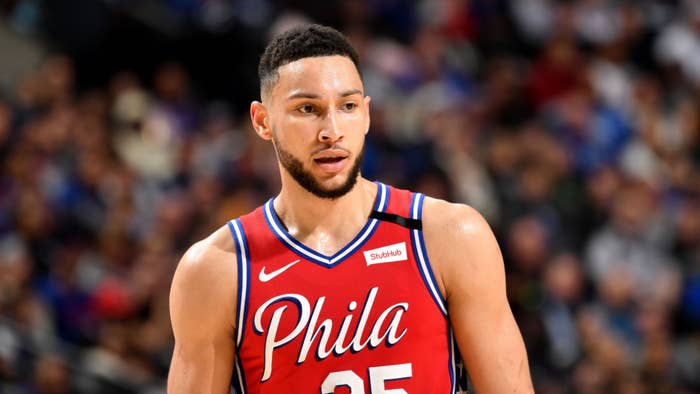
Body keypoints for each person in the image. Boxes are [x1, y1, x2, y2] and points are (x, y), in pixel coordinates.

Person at [168, 24, 534, 393]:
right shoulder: (215, 271)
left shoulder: (448, 236)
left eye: (347, 106)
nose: (331, 130)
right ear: (263, 121)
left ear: (367, 115)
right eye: (307, 109)